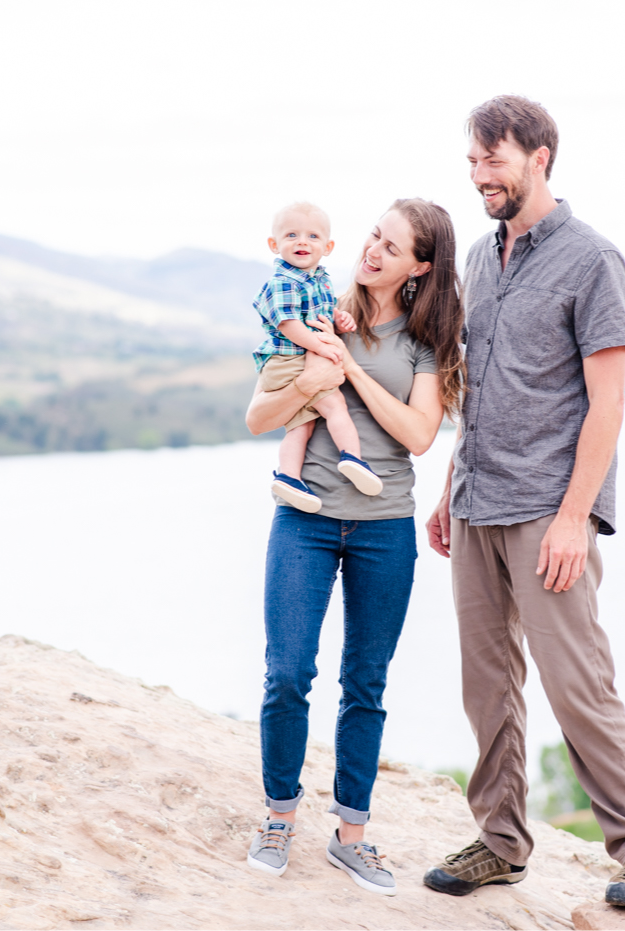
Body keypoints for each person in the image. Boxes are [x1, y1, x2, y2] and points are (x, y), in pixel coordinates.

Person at [422, 95, 625, 909]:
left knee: (577, 680)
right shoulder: (480, 258)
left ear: (539, 156)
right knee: (485, 682)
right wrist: (449, 485)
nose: (478, 176)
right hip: (476, 498)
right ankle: (499, 841)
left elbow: (607, 404)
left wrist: (574, 517)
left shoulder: (593, 259)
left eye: (491, 160)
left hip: (545, 509)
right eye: (471, 161)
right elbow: (484, 386)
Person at [243, 199, 465, 896]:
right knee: (287, 673)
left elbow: (419, 435)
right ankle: (279, 818)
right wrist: (315, 374)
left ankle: (352, 837)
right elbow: (259, 418)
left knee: (364, 685)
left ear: (419, 267)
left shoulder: (424, 344)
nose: (372, 251)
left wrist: (352, 371)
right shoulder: (315, 311)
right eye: (374, 236)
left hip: (384, 529)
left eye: (392, 247)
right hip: (305, 520)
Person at [251, 201, 379, 513]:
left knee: (302, 425)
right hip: (288, 359)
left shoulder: (318, 279)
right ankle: (352, 457)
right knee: (335, 406)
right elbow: (290, 324)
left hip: (295, 360)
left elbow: (322, 313)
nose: (302, 242)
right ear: (274, 244)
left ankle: (288, 477)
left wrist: (340, 321)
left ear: (328, 246)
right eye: (291, 235)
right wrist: (323, 347)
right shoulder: (282, 281)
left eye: (312, 236)